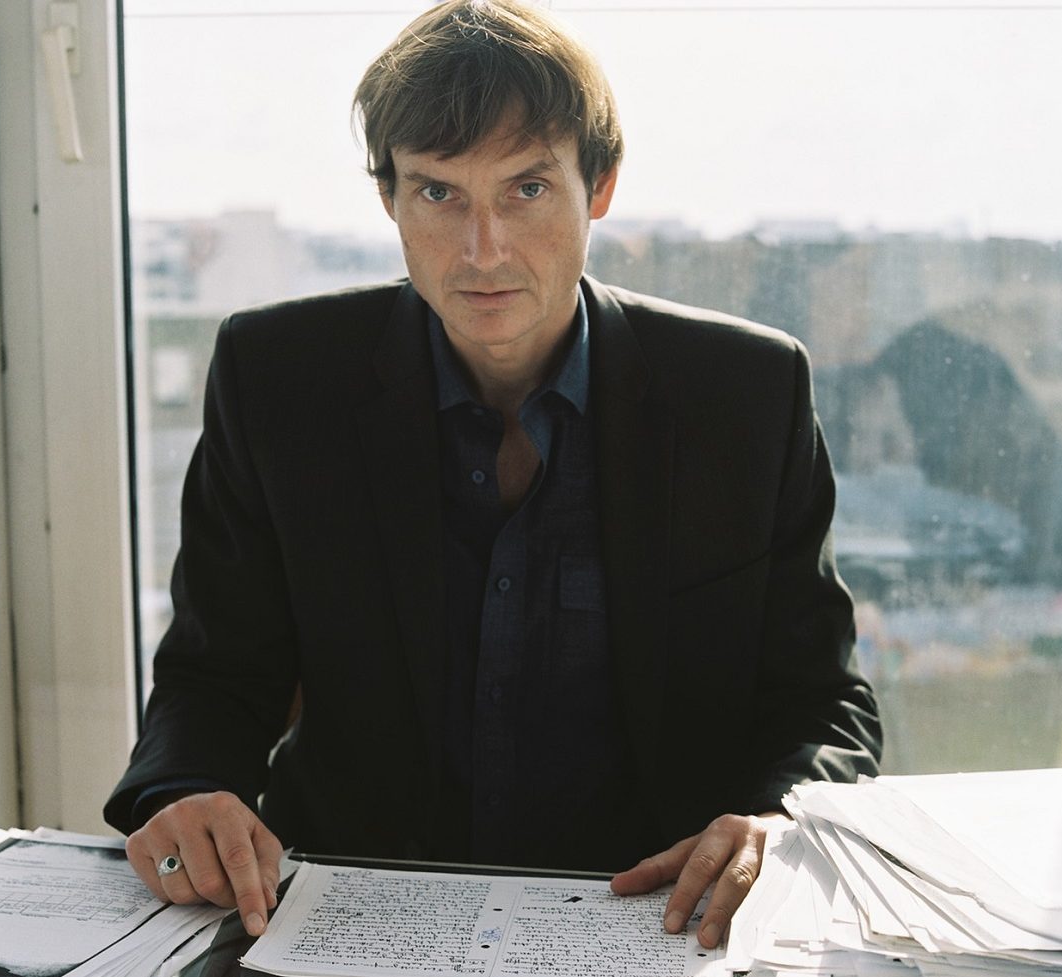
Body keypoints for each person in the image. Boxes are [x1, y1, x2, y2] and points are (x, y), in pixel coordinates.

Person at [105, 0, 881, 950]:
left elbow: (822, 701)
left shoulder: (745, 393)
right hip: (344, 920)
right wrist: (189, 790)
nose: (483, 251)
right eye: (439, 193)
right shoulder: (277, 379)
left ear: (599, 186)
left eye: (526, 190)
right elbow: (214, 674)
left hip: (657, 922)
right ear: (388, 197)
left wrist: (779, 823)